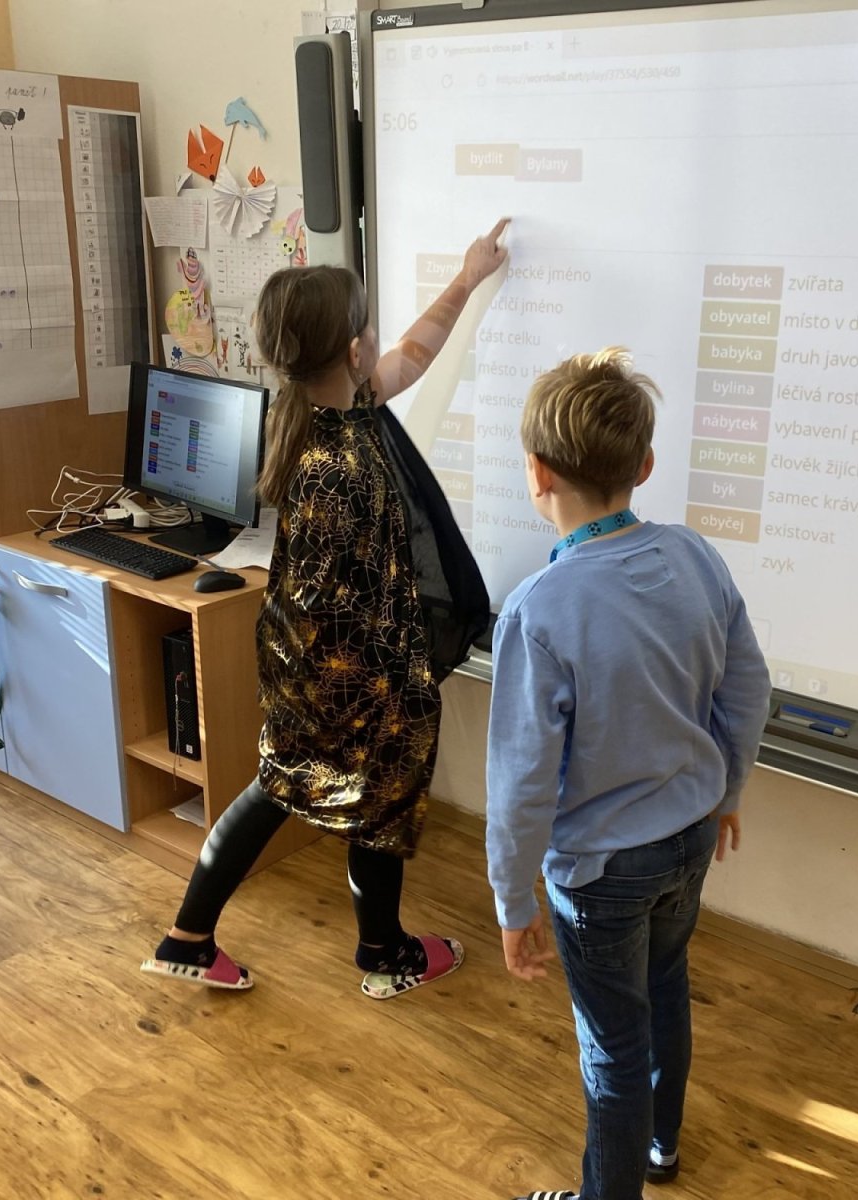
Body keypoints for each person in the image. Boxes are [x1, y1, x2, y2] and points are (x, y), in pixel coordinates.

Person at [142, 219, 509, 998]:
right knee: (378, 797)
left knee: (280, 785)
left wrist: (468, 277)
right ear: (352, 351)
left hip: (306, 665)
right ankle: (383, 955)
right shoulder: (338, 464)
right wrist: (386, 689)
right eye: (368, 326)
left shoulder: (322, 409)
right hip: (351, 672)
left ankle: (188, 937)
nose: (380, 338)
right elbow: (335, 595)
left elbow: (414, 352)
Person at [485, 349, 773, 1200]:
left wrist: (512, 902)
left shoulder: (539, 610)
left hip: (601, 872)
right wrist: (727, 791)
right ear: (643, 466)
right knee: (664, 987)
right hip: (689, 839)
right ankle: (660, 1147)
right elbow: (749, 690)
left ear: (537, 473)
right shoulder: (695, 556)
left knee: (612, 1044)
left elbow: (520, 783)